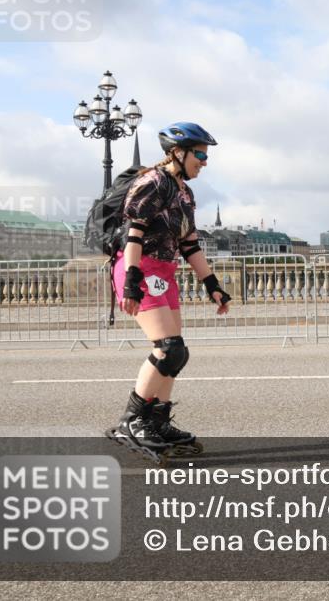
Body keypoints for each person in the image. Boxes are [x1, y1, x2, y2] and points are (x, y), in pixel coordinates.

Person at [108, 121, 231, 457]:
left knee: (178, 353)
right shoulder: (154, 181)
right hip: (140, 267)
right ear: (178, 152)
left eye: (206, 155)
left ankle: (158, 419)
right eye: (200, 154)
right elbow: (134, 233)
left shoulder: (184, 193)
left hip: (164, 271)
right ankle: (133, 420)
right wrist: (132, 281)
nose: (205, 161)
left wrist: (212, 284)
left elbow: (189, 244)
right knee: (168, 348)